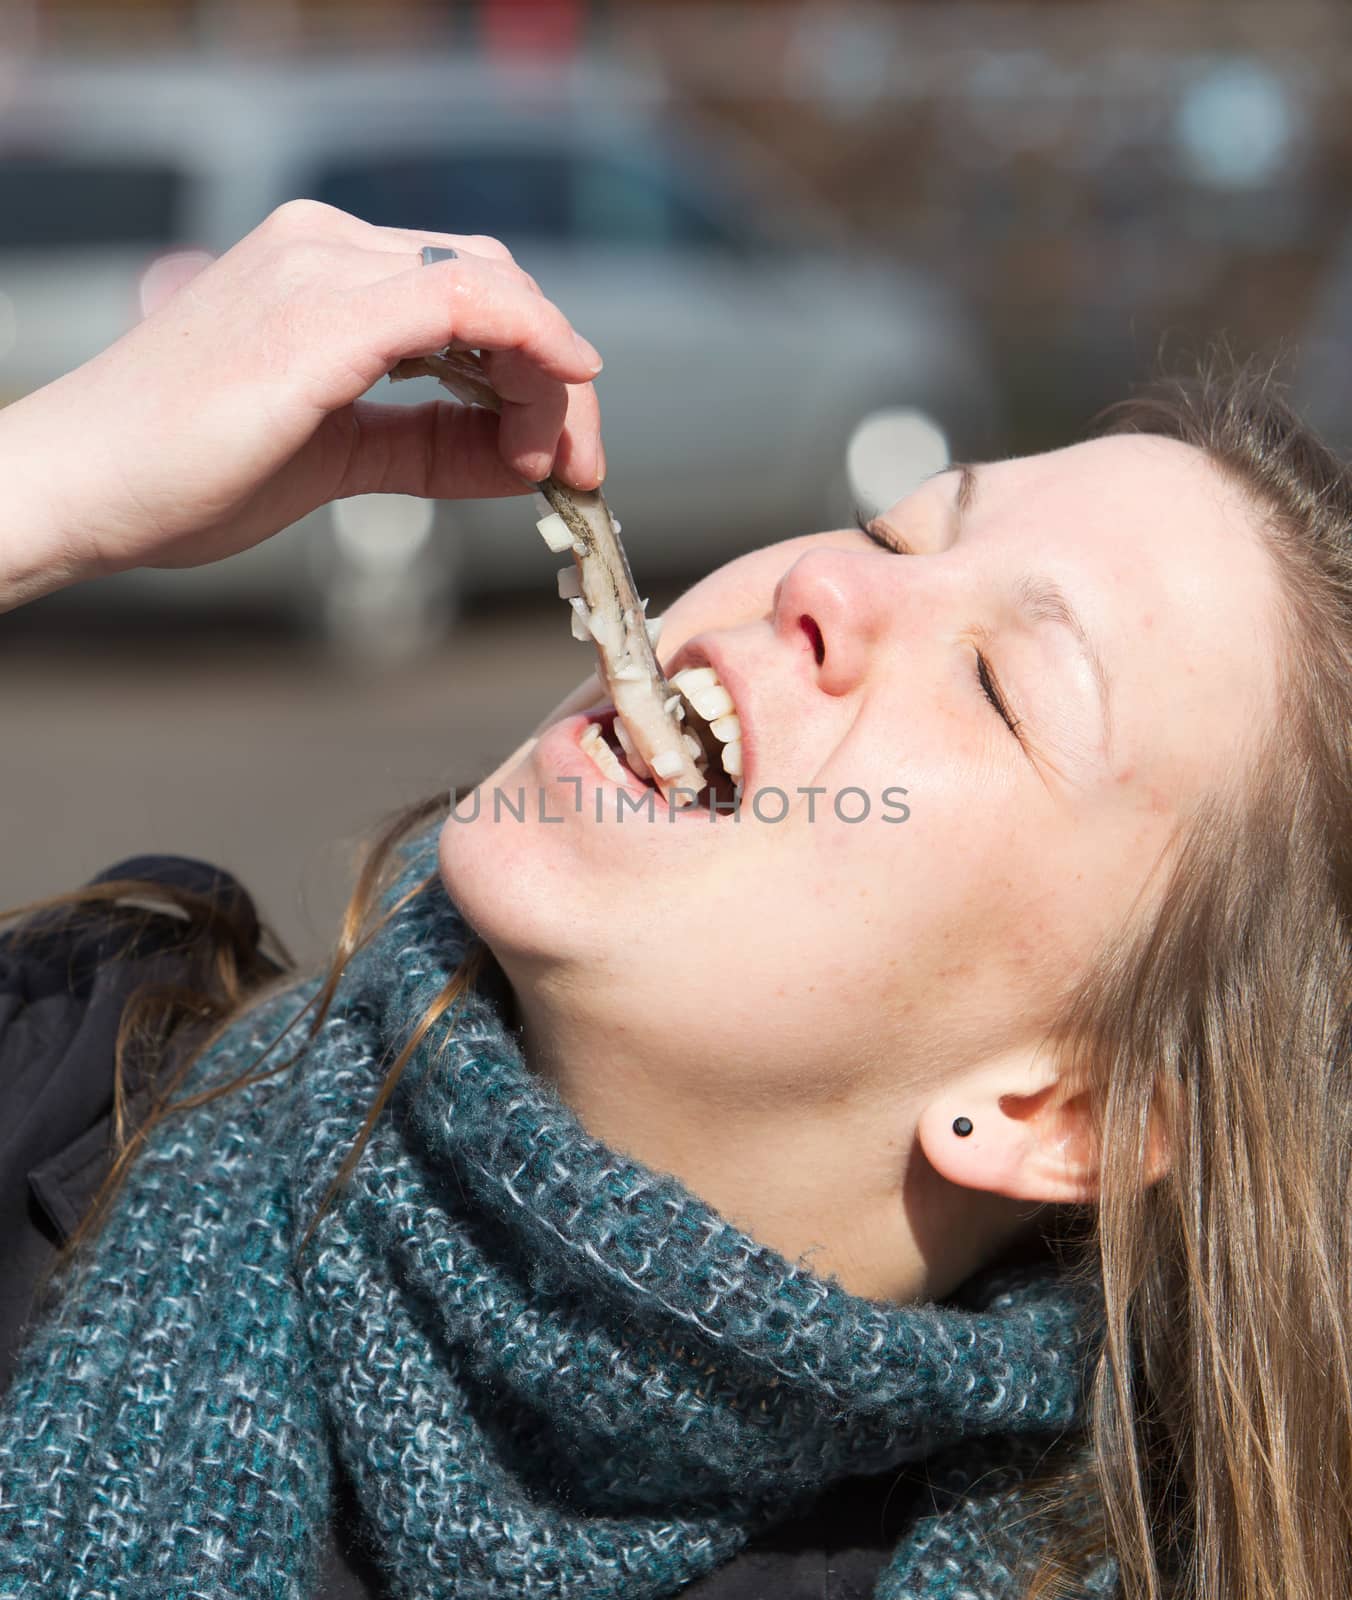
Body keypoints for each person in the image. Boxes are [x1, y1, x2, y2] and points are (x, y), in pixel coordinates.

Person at [0, 200, 1347, 1600]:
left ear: (1056, 1112)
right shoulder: (57, 1068)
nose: (825, 575)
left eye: (1002, 688)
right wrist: (42, 488)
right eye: (898, 533)